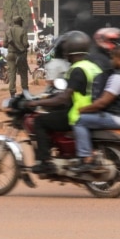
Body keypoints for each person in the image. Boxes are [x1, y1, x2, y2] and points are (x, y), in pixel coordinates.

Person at [24, 31, 102, 175]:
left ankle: (44, 162)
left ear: (70, 51)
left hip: (77, 113)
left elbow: (63, 98)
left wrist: (37, 103)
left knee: (40, 121)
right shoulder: (92, 67)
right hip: (94, 111)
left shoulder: (77, 70)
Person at [70, 45, 120, 173]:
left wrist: (83, 110)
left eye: (112, 58)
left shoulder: (119, 77)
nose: (111, 62)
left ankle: (86, 157)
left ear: (119, 59)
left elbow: (102, 103)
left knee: (81, 121)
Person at [89, 27, 120, 99]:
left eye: (115, 41)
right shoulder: (100, 60)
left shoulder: (107, 57)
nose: (115, 44)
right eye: (112, 41)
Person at [5, 15, 29, 97]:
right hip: (21, 55)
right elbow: (26, 44)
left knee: (12, 74)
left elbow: (4, 44)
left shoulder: (8, 31)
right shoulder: (23, 30)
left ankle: (12, 93)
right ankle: (25, 92)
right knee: (23, 74)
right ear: (20, 22)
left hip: (11, 54)